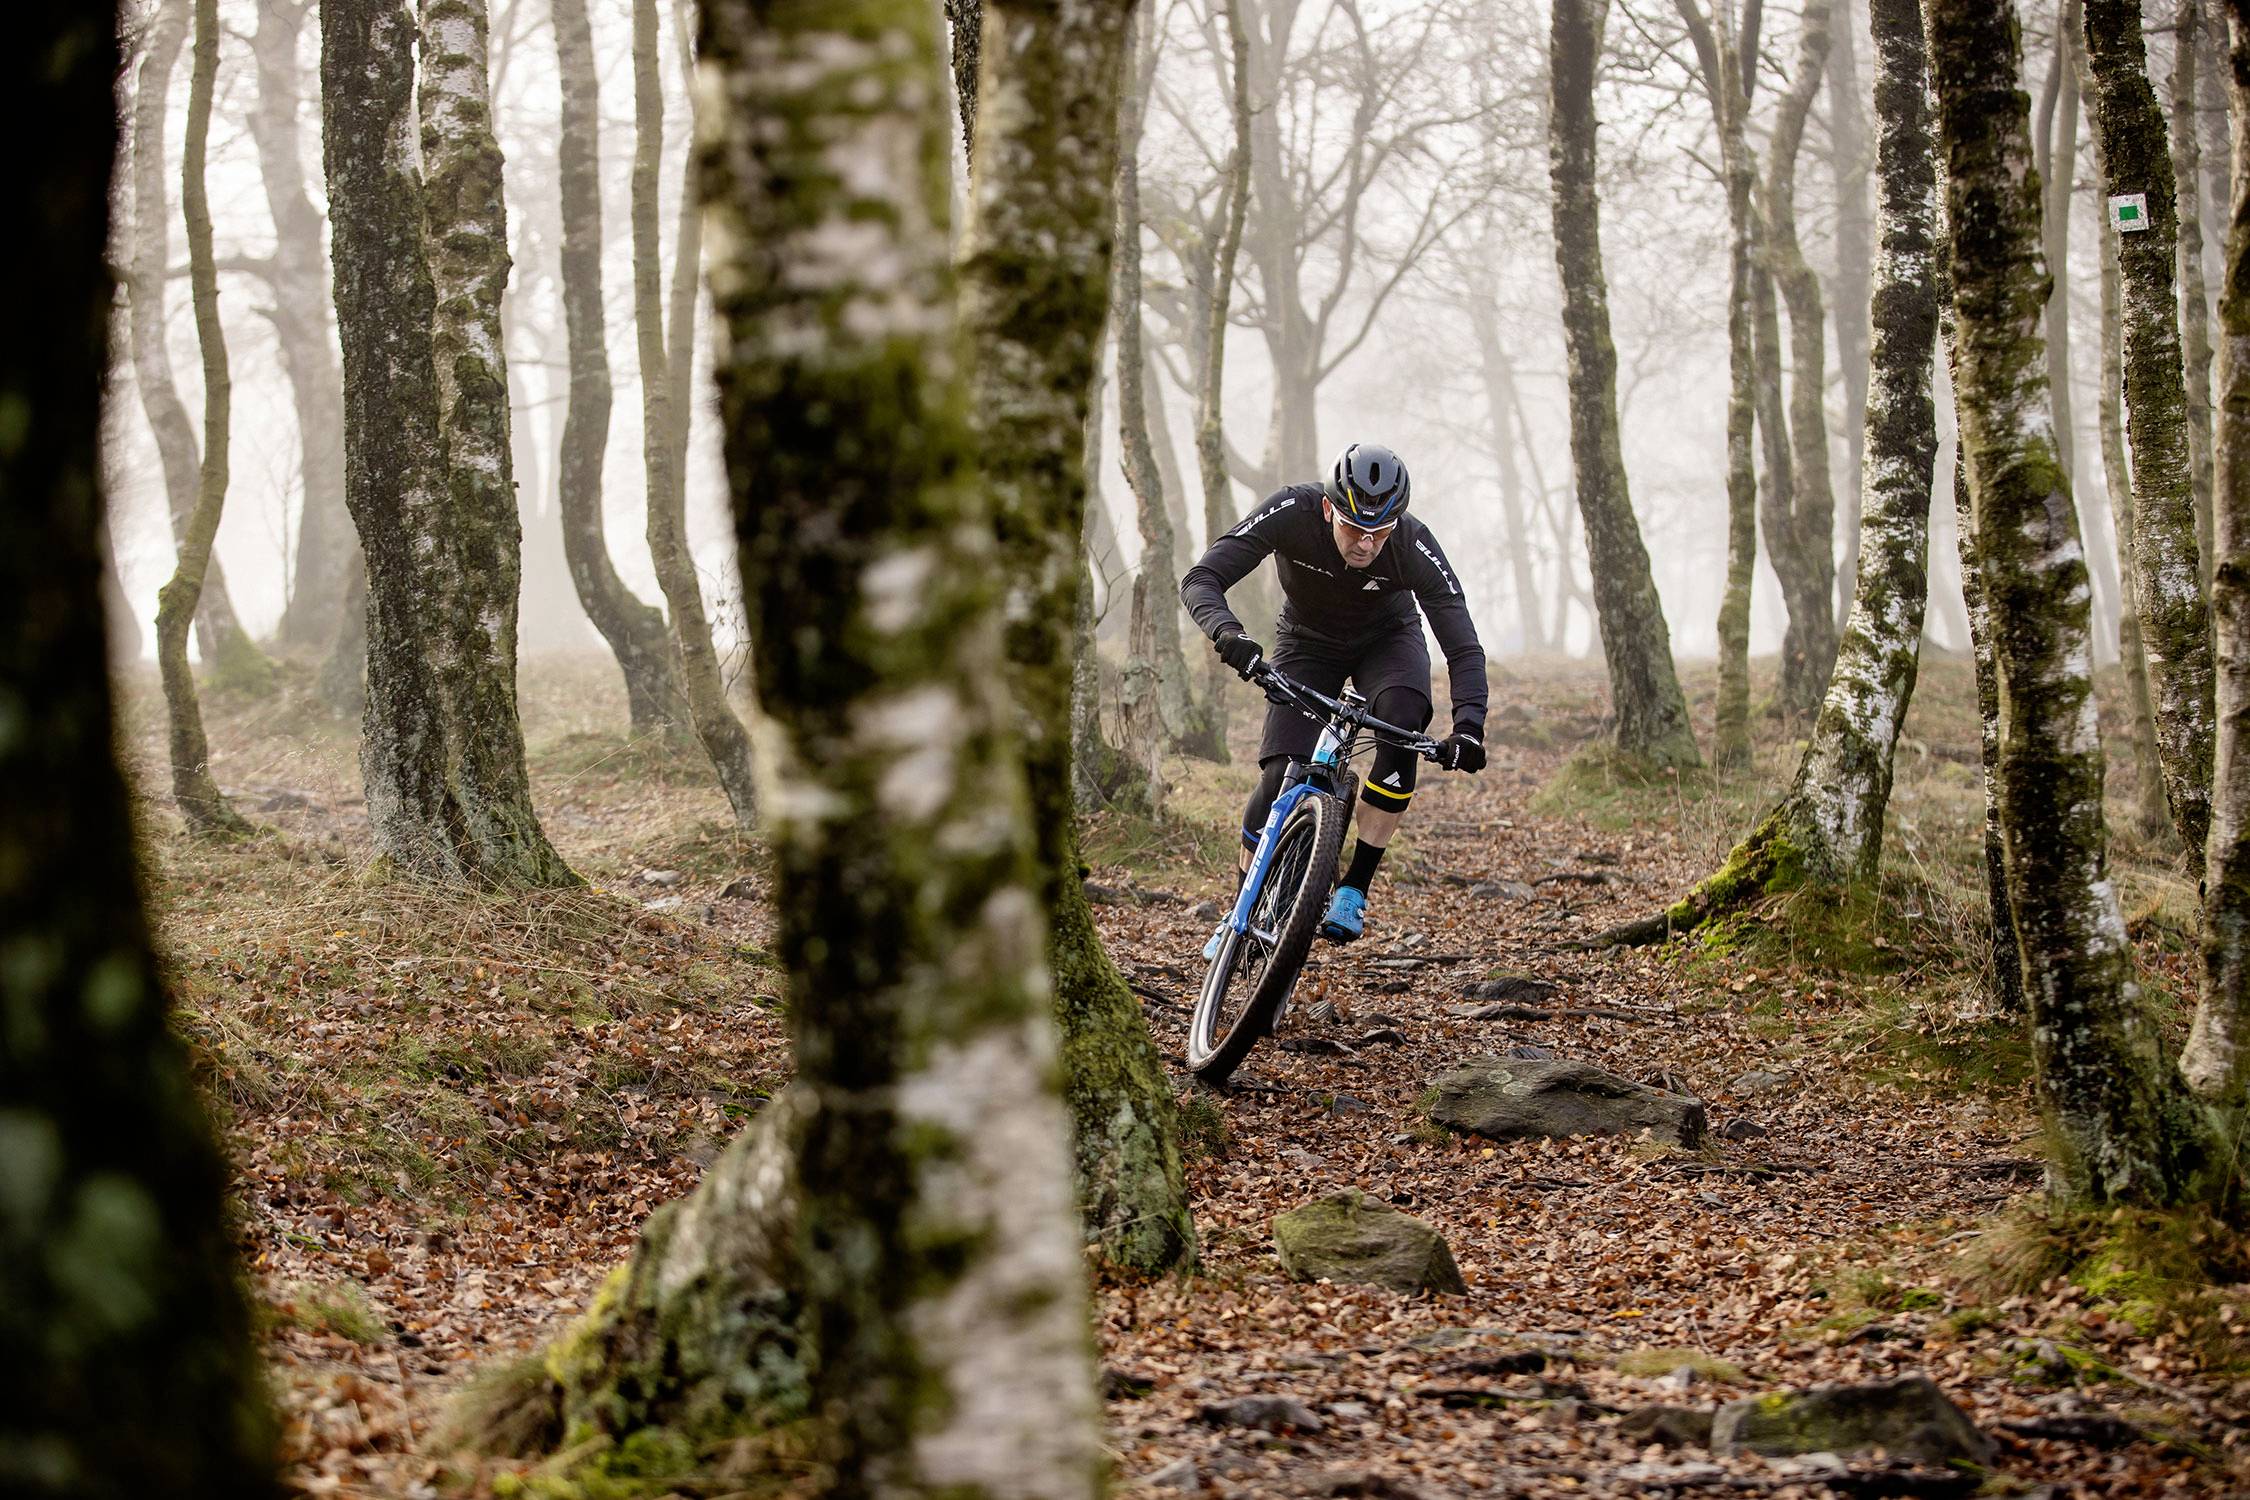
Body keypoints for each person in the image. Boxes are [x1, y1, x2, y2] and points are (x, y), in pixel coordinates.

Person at [1181, 441, 1488, 949]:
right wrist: (1228, 633)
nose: (1366, 544)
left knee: (1403, 720)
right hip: (1307, 641)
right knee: (1281, 771)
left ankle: (1354, 888)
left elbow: (1463, 646)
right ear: (1329, 508)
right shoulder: (1293, 510)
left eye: (1379, 533)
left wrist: (1469, 726)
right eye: (1353, 528)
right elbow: (1203, 576)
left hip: (1387, 642)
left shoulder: (1412, 543)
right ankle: (1240, 910)